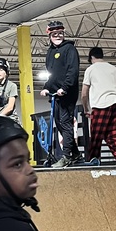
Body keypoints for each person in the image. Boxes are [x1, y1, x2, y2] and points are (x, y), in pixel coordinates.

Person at [40, 20, 81, 168]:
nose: (58, 36)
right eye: (54, 34)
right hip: (55, 94)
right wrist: (46, 87)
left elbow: (72, 71)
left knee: (65, 123)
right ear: (49, 35)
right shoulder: (50, 52)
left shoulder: (69, 49)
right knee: (59, 123)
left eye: (60, 33)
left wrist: (64, 87)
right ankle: (76, 154)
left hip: (67, 93)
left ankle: (67, 156)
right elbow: (51, 74)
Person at [81, 46, 116, 165]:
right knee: (112, 134)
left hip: (100, 105)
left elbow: (84, 93)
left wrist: (86, 108)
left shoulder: (91, 69)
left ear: (91, 57)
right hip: (115, 103)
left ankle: (93, 160)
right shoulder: (114, 69)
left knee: (96, 136)